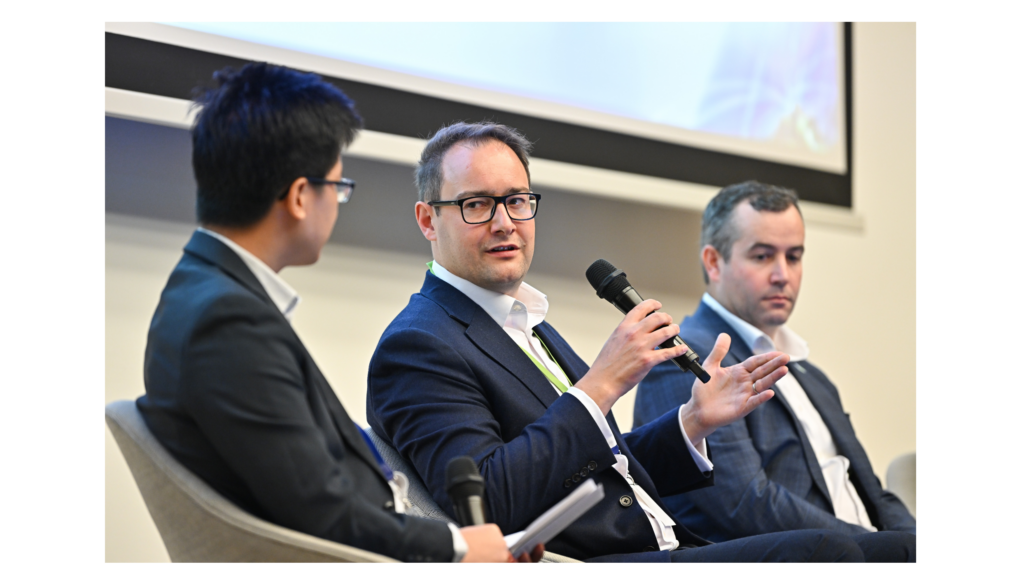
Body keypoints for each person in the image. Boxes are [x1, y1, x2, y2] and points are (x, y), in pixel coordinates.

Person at [366, 122, 877, 562]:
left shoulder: (523, 322)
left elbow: (602, 467)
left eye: (517, 201)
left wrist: (692, 421)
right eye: (477, 204)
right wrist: (601, 384)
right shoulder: (418, 345)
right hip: (601, 565)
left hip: (667, 548)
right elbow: (487, 503)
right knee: (833, 553)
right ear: (428, 219)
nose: (505, 223)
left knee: (895, 548)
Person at [137, 64, 540, 563]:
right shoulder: (226, 321)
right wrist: (461, 547)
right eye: (336, 185)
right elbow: (323, 515)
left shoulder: (205, 292)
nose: (337, 201)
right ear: (300, 197)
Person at [632, 181, 916, 555]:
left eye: (794, 257)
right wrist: (880, 549)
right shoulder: (686, 357)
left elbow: (874, 493)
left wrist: (913, 543)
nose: (783, 274)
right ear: (714, 262)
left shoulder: (813, 377)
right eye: (763, 256)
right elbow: (743, 503)